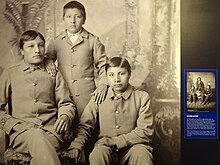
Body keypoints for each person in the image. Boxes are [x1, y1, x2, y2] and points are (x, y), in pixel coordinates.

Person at [0, 30, 76, 165]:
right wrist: (14, 126)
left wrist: (65, 117)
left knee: (42, 146)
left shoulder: (53, 73)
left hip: (52, 133)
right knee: (37, 138)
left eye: (41, 45)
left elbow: (66, 104)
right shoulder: (10, 73)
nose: (37, 50)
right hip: (22, 134)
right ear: (22, 51)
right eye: (31, 46)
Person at [68, 57, 154, 165]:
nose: (116, 79)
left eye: (121, 73)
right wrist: (76, 145)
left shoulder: (141, 97)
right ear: (107, 76)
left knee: (142, 154)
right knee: (98, 154)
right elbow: (85, 125)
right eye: (111, 75)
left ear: (129, 74)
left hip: (133, 147)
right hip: (106, 148)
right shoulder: (100, 96)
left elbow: (145, 131)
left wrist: (114, 141)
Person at [45, 1, 108, 118]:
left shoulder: (93, 41)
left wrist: (103, 84)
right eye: (68, 17)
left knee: (87, 127)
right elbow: (47, 58)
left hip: (86, 95)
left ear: (84, 19)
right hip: (63, 94)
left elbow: (103, 65)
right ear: (63, 19)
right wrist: (48, 62)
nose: (73, 21)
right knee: (65, 127)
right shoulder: (56, 41)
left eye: (78, 17)